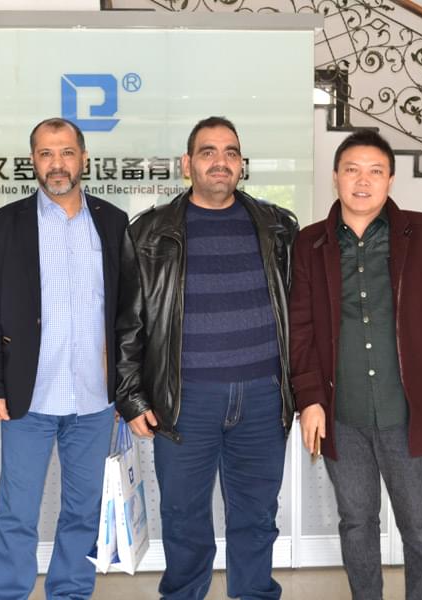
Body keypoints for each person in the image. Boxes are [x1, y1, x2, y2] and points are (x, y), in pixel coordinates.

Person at [115, 116, 298, 599]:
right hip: (185, 400)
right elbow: (129, 322)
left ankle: (254, 593)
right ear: (187, 164)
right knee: (183, 517)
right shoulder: (150, 232)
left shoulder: (278, 227)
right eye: (208, 152)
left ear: (242, 164)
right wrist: (132, 397)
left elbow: (298, 313)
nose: (221, 162)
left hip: (262, 398)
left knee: (257, 514)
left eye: (231, 152)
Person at [289, 130, 422, 600]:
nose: (363, 181)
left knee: (420, 524)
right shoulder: (310, 243)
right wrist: (309, 399)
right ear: (336, 177)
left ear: (390, 179)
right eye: (352, 170)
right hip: (341, 413)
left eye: (375, 171)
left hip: (406, 410)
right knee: (356, 522)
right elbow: (301, 329)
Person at [0, 117, 127, 599]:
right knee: (17, 511)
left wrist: (126, 387)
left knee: (83, 510)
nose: (56, 164)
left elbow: (126, 313)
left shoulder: (113, 221)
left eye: (66, 152)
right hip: (28, 396)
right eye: (45, 154)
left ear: (83, 158)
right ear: (33, 161)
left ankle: (70, 592)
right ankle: (9, 593)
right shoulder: (4, 224)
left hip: (94, 398)